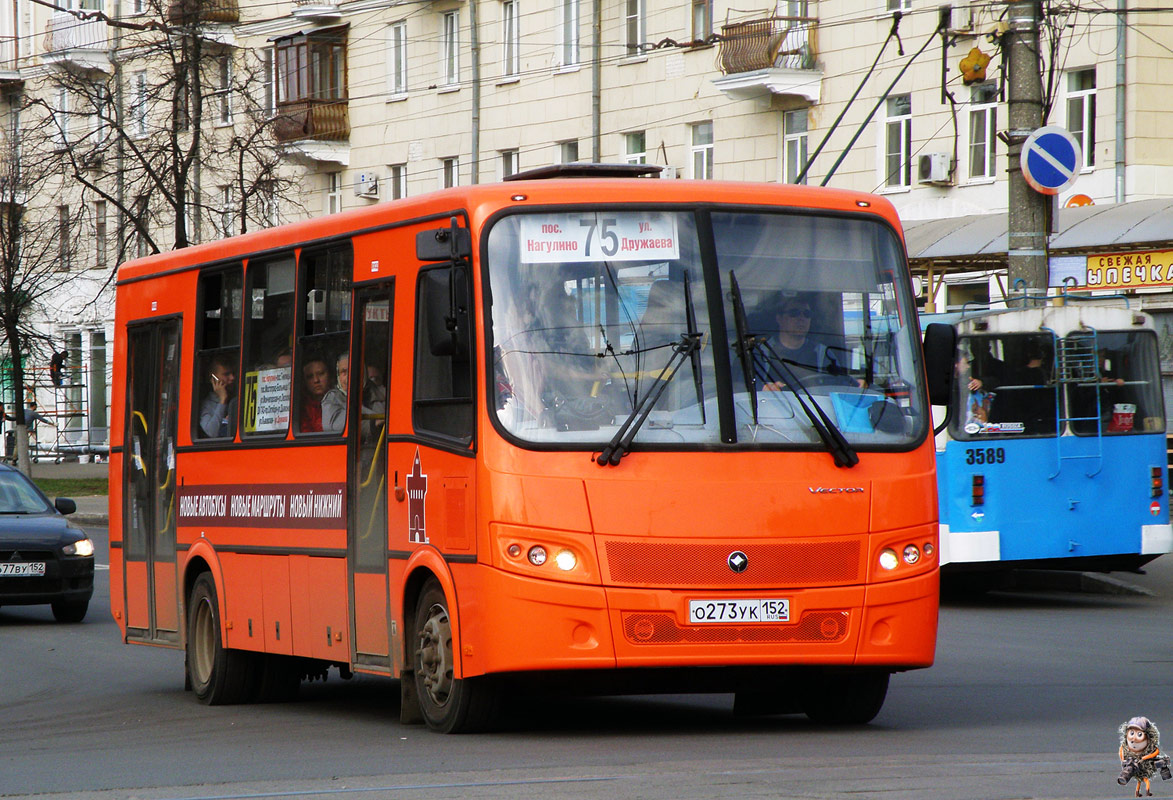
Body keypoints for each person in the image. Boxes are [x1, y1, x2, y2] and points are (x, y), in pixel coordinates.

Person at [763, 292, 860, 389]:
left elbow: (841, 383)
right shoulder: (762, 351)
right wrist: (764, 388)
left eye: (807, 314)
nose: (801, 318)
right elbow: (750, 385)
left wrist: (859, 385)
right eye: (794, 313)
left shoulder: (822, 353)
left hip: (813, 403)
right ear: (779, 319)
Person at [199, 353, 238, 439]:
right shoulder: (207, 405)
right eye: (226, 374)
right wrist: (222, 401)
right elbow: (211, 432)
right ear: (213, 378)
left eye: (233, 373)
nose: (232, 378)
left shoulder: (238, 398)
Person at [299, 355, 333, 432]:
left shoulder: (341, 400)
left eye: (321, 374)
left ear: (330, 375)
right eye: (310, 377)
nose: (316, 380)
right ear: (304, 381)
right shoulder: (301, 408)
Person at [320, 352, 348, 433]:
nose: (349, 376)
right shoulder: (332, 397)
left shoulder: (379, 394)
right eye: (344, 372)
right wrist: (372, 424)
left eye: (354, 370)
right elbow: (332, 425)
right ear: (338, 376)